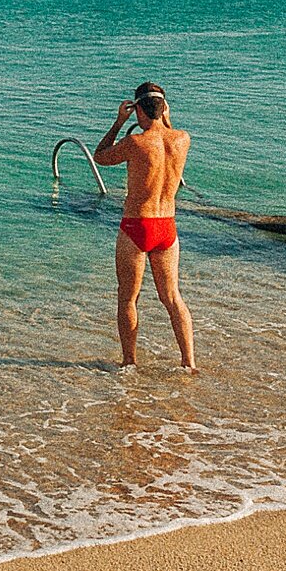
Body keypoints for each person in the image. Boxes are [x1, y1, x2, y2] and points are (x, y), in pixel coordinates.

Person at [94, 81, 196, 372]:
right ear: (164, 109)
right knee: (173, 298)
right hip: (167, 227)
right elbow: (168, 134)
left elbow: (101, 156)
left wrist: (117, 123)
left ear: (137, 108)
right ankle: (189, 363)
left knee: (128, 297)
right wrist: (166, 117)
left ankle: (129, 362)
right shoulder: (182, 139)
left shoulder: (135, 143)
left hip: (137, 224)